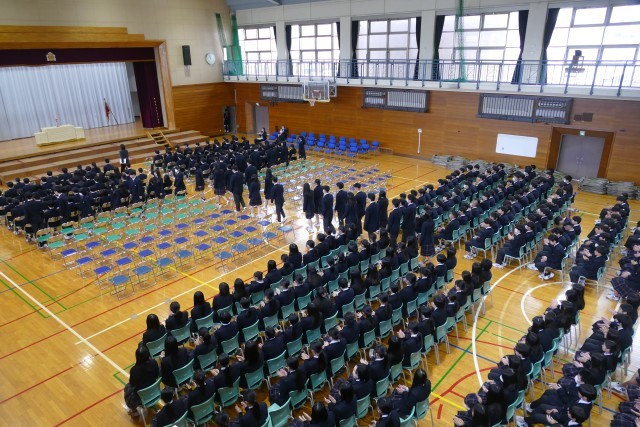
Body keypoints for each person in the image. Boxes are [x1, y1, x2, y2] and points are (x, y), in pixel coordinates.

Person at [124, 346, 160, 414]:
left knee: (127, 387)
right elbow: (157, 374)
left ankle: (134, 411)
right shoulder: (154, 362)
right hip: (154, 391)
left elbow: (132, 383)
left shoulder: (134, 370)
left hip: (142, 395)